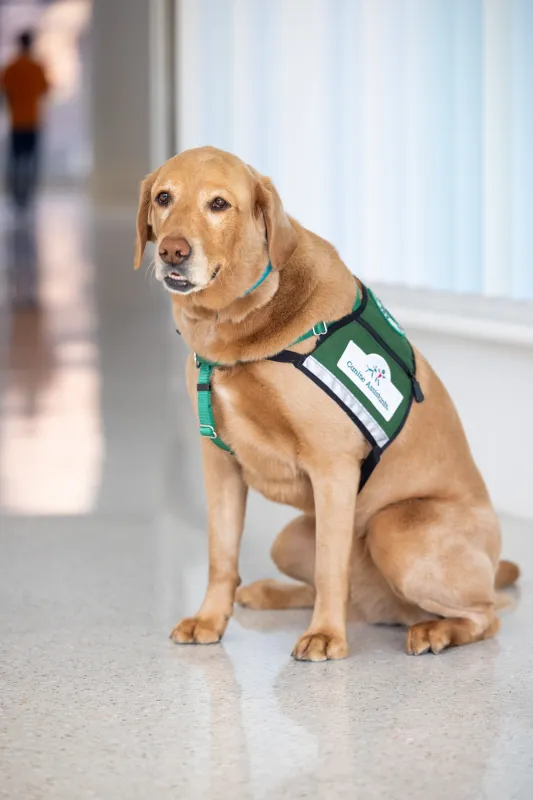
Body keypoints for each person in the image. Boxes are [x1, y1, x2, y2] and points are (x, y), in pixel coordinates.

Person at [1, 30, 49, 209]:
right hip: (33, 120)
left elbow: (4, 91)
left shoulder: (11, 67)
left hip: (16, 121)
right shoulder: (37, 67)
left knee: (15, 159)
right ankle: (28, 194)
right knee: (31, 159)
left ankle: (16, 195)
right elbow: (44, 91)